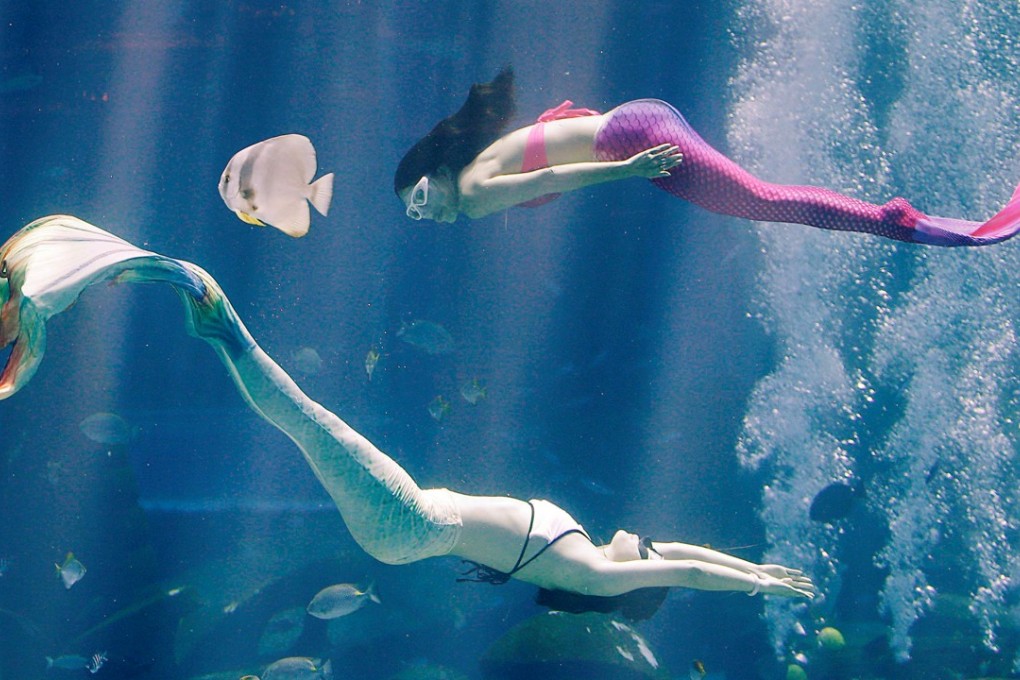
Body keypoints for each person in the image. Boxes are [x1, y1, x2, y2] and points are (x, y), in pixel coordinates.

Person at [0, 216, 815, 619]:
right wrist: (718, 560)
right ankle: (213, 321)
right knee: (303, 421)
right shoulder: (594, 552)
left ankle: (218, 318)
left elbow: (675, 571)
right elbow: (672, 551)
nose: (648, 541)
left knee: (307, 416)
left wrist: (757, 582)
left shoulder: (599, 575)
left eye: (647, 561)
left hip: (413, 523)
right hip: (408, 526)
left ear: (630, 584)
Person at [394, 67, 1020, 247]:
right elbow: (552, 146)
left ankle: (892, 220)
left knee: (764, 202)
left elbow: (556, 174)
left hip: (638, 142)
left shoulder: (474, 196)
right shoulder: (483, 163)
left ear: (441, 172)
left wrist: (625, 169)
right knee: (759, 201)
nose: (428, 215)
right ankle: (888, 220)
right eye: (414, 216)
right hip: (639, 117)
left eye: (421, 199)